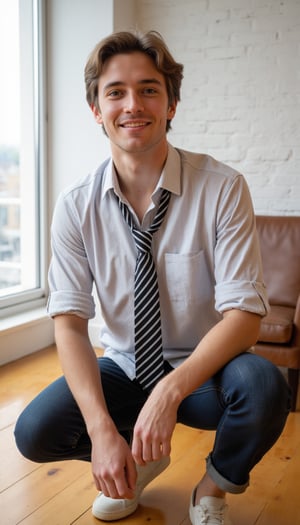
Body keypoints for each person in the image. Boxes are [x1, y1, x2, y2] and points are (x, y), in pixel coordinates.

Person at [15, 30, 290, 525]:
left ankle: (213, 487)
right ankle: (134, 464)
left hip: (204, 372)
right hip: (124, 367)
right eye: (115, 92)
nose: (132, 104)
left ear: (172, 104)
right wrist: (103, 433)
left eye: (148, 89)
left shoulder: (223, 188)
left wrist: (170, 390)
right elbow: (71, 323)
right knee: (34, 431)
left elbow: (245, 318)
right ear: (97, 109)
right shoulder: (75, 206)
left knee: (266, 385)